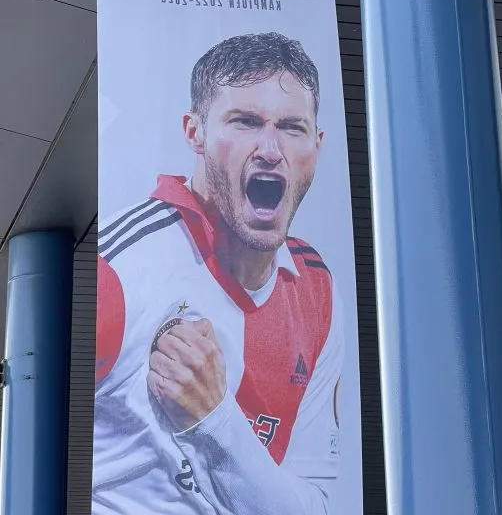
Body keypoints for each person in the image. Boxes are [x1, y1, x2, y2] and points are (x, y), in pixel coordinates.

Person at [93, 32, 343, 515]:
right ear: (194, 132)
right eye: (245, 121)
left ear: (317, 142)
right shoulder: (118, 270)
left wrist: (212, 419)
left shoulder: (316, 286)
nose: (270, 149)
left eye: (292, 127)